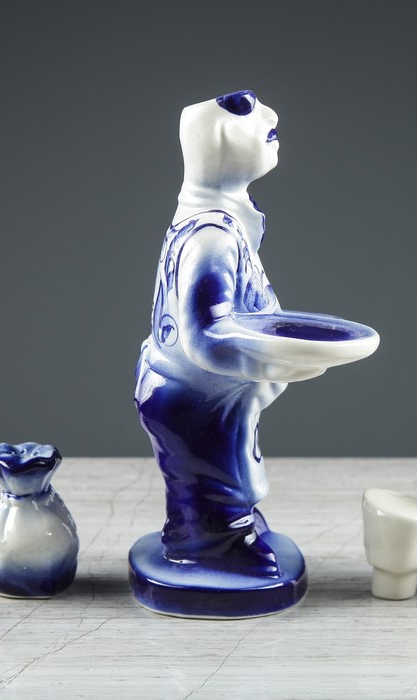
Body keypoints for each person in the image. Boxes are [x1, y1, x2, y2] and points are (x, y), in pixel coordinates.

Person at [135, 91, 323, 576]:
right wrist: (279, 357)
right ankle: (211, 548)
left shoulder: (217, 222)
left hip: (196, 393)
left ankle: (221, 532)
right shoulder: (212, 238)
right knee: (214, 479)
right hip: (194, 397)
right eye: (249, 111)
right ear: (218, 143)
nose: (271, 116)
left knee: (221, 475)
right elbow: (206, 338)